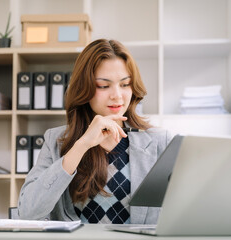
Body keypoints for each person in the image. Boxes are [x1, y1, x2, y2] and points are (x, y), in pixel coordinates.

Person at [18, 39, 172, 224]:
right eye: (104, 86)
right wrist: (81, 145)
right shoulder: (55, 140)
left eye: (125, 84)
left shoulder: (159, 141)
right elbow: (27, 212)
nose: (117, 95)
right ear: (85, 89)